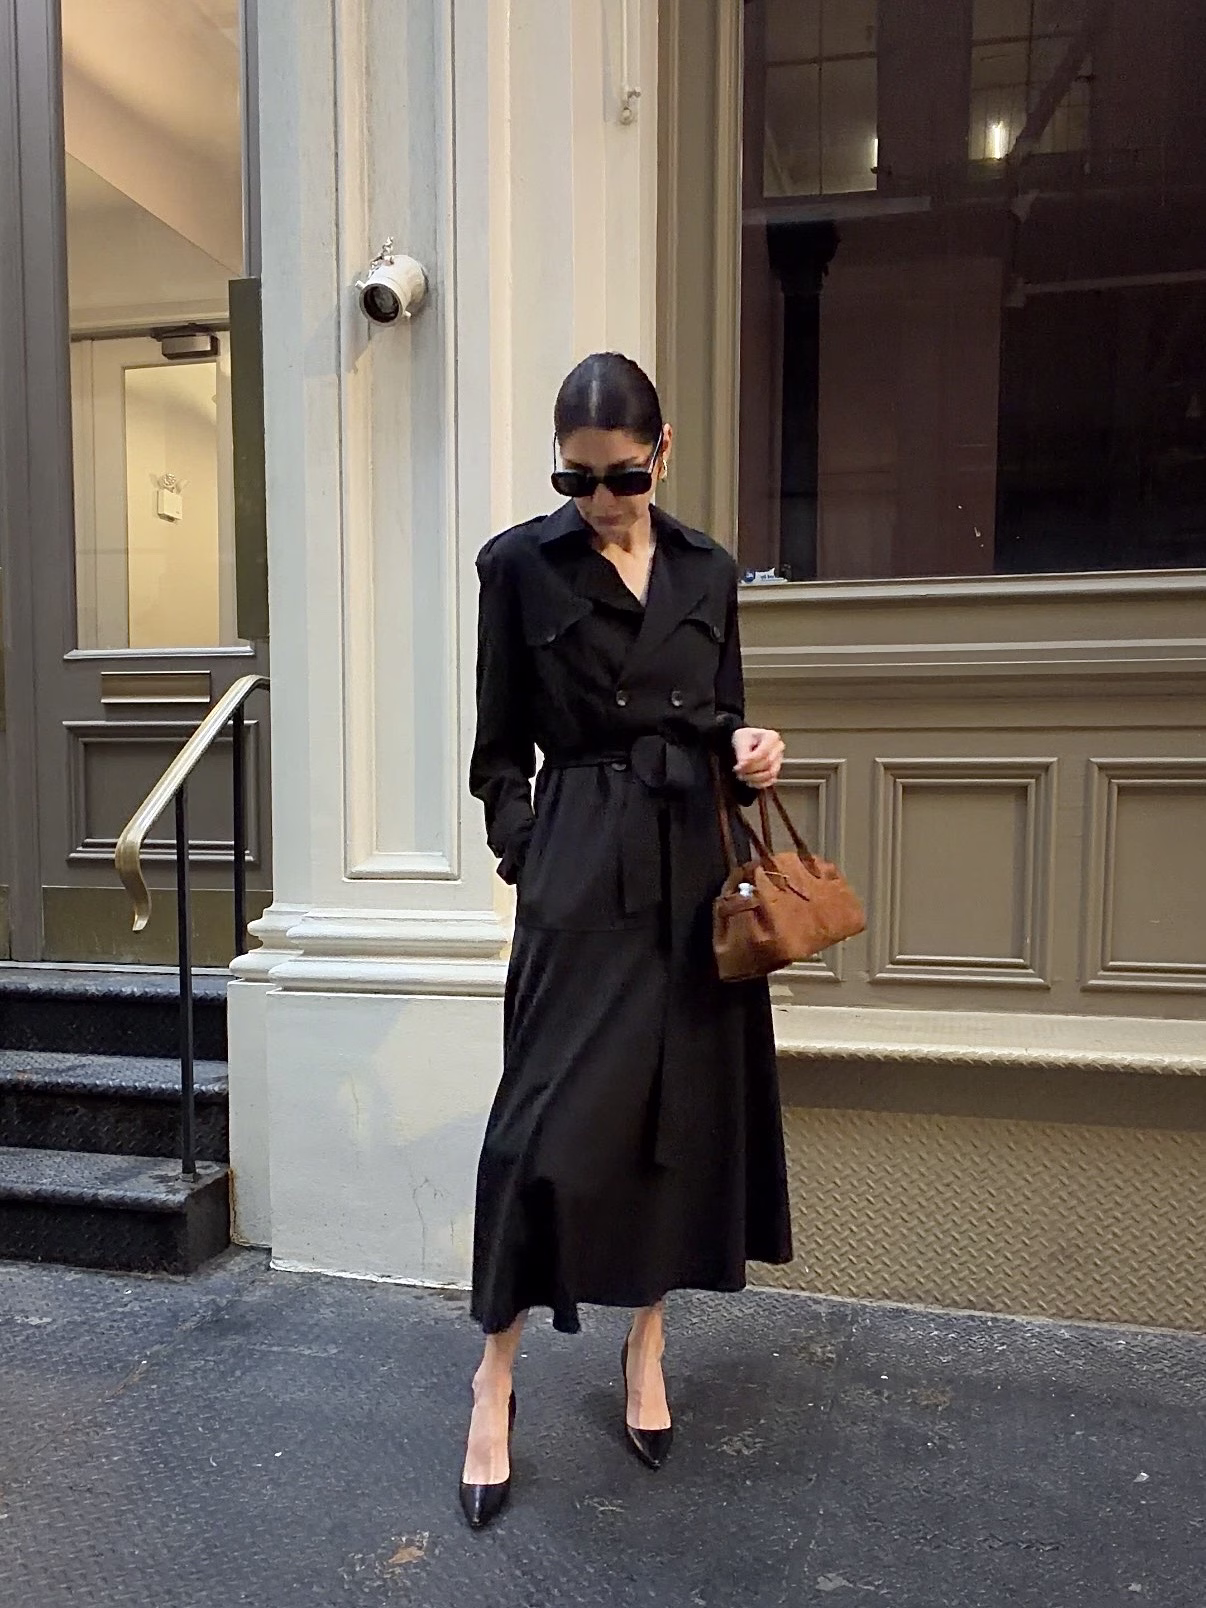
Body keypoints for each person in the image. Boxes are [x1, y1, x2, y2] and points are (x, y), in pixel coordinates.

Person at [461, 353, 792, 1529]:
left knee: (675, 1122)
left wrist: (754, 755)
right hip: (583, 867)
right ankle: (492, 1380)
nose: (599, 497)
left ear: (664, 450)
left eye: (619, 474)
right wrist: (534, 851)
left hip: (692, 877)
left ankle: (644, 1346)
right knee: (537, 1132)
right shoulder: (518, 566)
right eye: (576, 475)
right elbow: (498, 753)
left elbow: (725, 719)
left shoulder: (706, 567)